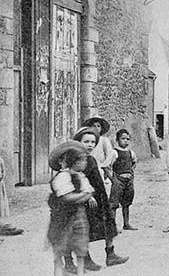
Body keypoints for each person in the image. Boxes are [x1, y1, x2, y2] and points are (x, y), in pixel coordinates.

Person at [70, 127, 128, 271]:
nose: (89, 145)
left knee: (108, 223)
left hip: (100, 197)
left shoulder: (90, 158)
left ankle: (111, 254)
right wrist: (88, 196)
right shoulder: (78, 160)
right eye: (86, 142)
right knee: (84, 229)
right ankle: (86, 258)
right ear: (78, 142)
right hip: (88, 200)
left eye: (92, 142)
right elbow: (78, 179)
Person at [46, 141, 94, 276]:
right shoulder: (62, 177)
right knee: (60, 246)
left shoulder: (81, 176)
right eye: (82, 160)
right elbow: (65, 197)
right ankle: (59, 271)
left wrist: (80, 196)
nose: (85, 163)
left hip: (79, 215)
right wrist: (81, 196)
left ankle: (80, 271)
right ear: (74, 161)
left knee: (80, 244)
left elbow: (88, 193)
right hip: (62, 217)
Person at [109, 129, 138, 230]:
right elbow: (106, 166)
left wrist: (131, 173)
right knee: (114, 203)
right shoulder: (114, 152)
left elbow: (134, 163)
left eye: (128, 139)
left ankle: (126, 223)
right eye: (123, 138)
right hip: (118, 180)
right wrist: (112, 179)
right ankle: (113, 226)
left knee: (126, 202)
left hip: (129, 181)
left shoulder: (131, 153)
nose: (126, 141)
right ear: (117, 140)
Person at [82, 117, 115, 194]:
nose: (96, 128)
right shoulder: (88, 140)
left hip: (100, 167)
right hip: (89, 166)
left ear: (101, 128)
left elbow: (109, 154)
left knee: (100, 186)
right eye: (94, 126)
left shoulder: (104, 140)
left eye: (98, 126)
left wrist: (105, 166)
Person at [0, 154, 23, 236]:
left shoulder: (0, 159)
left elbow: (3, 171)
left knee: (1, 203)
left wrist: (2, 176)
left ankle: (3, 224)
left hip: (0, 184)